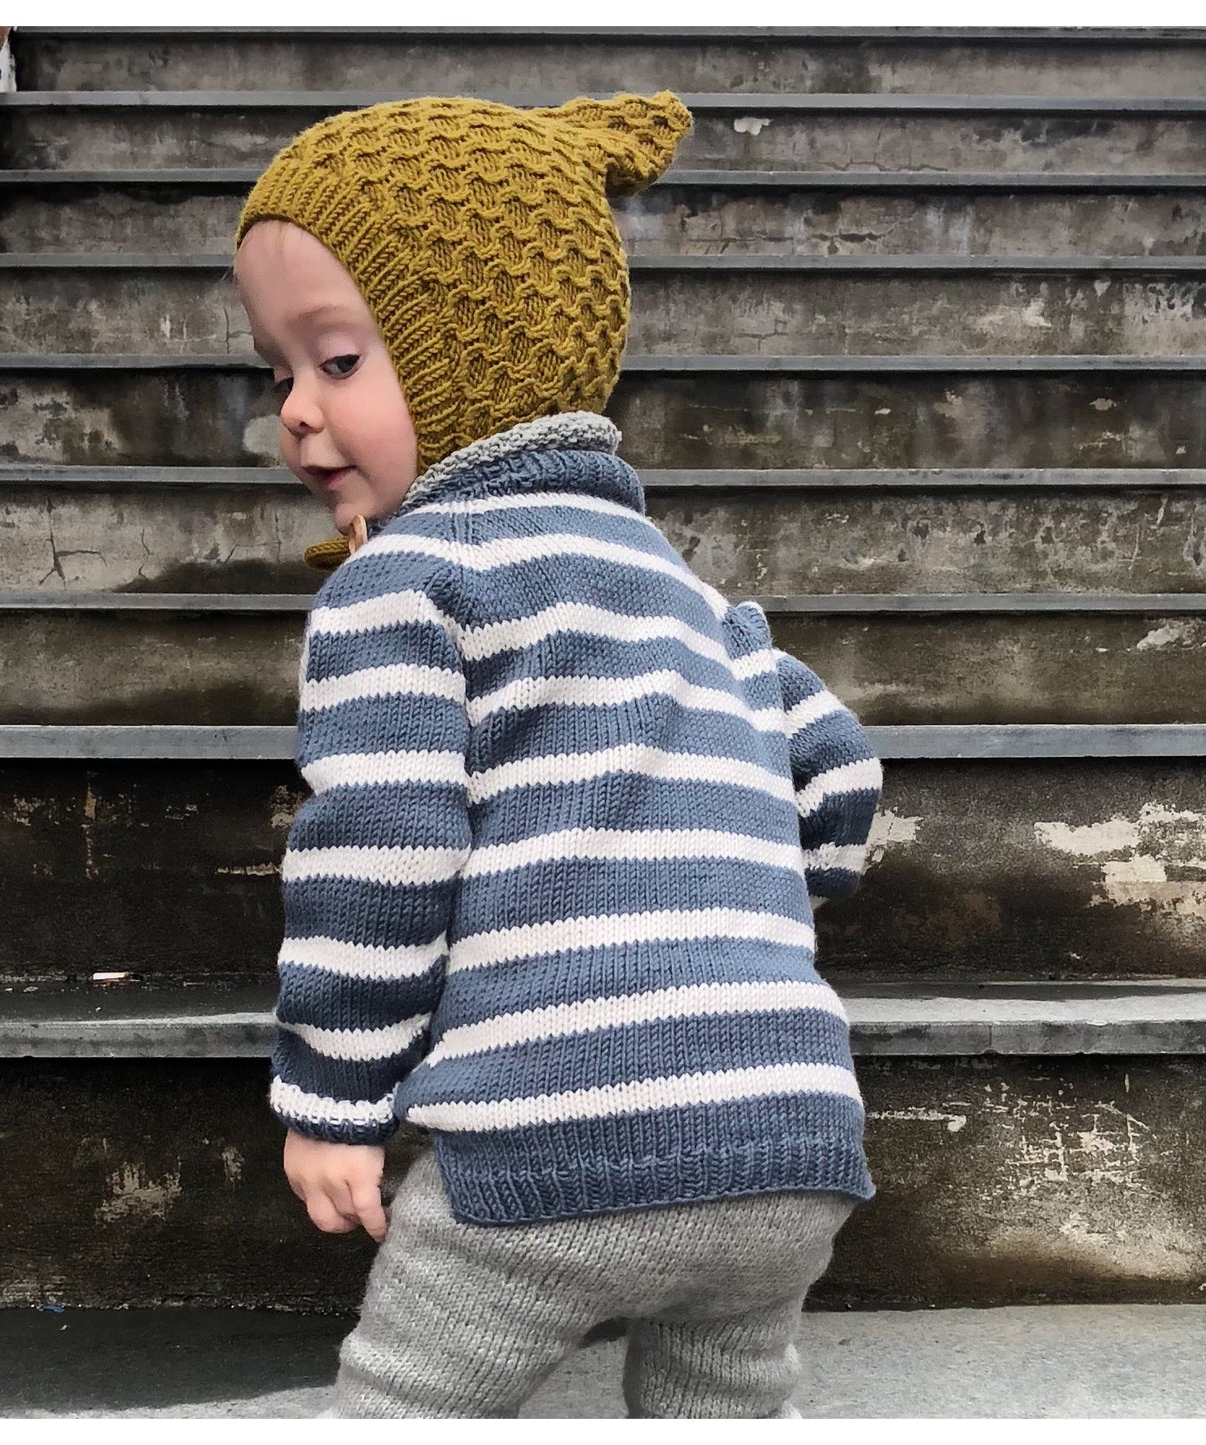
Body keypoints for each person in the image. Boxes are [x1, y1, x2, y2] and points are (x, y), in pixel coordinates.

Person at [231, 90, 885, 1420]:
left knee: (410, 1406)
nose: (295, 410)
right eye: (279, 371)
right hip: (794, 1135)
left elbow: (382, 859)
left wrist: (334, 1102)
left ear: (480, 349)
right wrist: (724, 899)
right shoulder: (699, 601)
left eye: (337, 360)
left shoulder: (405, 586)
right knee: (722, 1406)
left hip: (552, 1142)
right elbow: (839, 785)